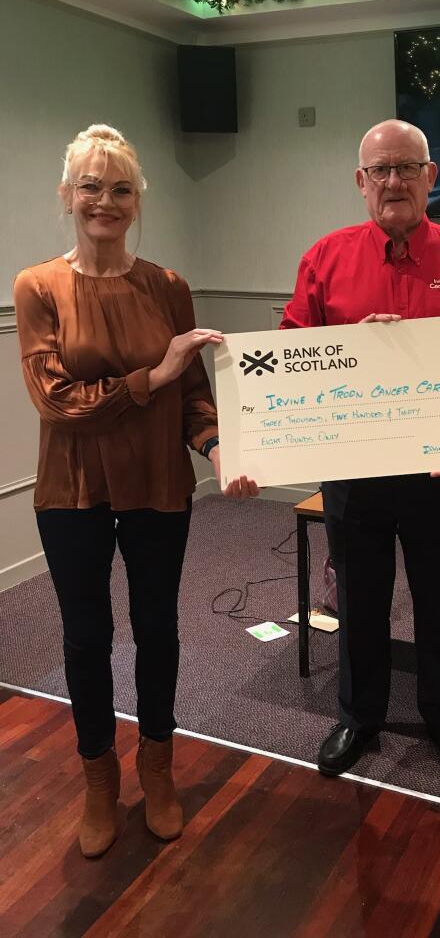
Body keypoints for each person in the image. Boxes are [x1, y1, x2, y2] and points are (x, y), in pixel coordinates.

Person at [13, 124, 258, 858]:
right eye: (91, 187)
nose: (105, 202)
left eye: (121, 189)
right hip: (73, 489)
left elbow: (194, 395)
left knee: (158, 629)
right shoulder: (37, 286)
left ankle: (157, 767)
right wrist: (151, 377)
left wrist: (218, 448)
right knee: (86, 637)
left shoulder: (168, 287)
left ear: (137, 200)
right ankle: (99, 779)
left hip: (158, 483)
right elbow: (57, 402)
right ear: (67, 195)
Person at [281, 119, 440, 781]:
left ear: (430, 177)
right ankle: (359, 716)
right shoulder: (325, 258)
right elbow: (293, 362)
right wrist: (352, 347)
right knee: (360, 599)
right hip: (356, 468)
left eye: (407, 167)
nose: (393, 181)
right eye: (380, 170)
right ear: (361, 182)